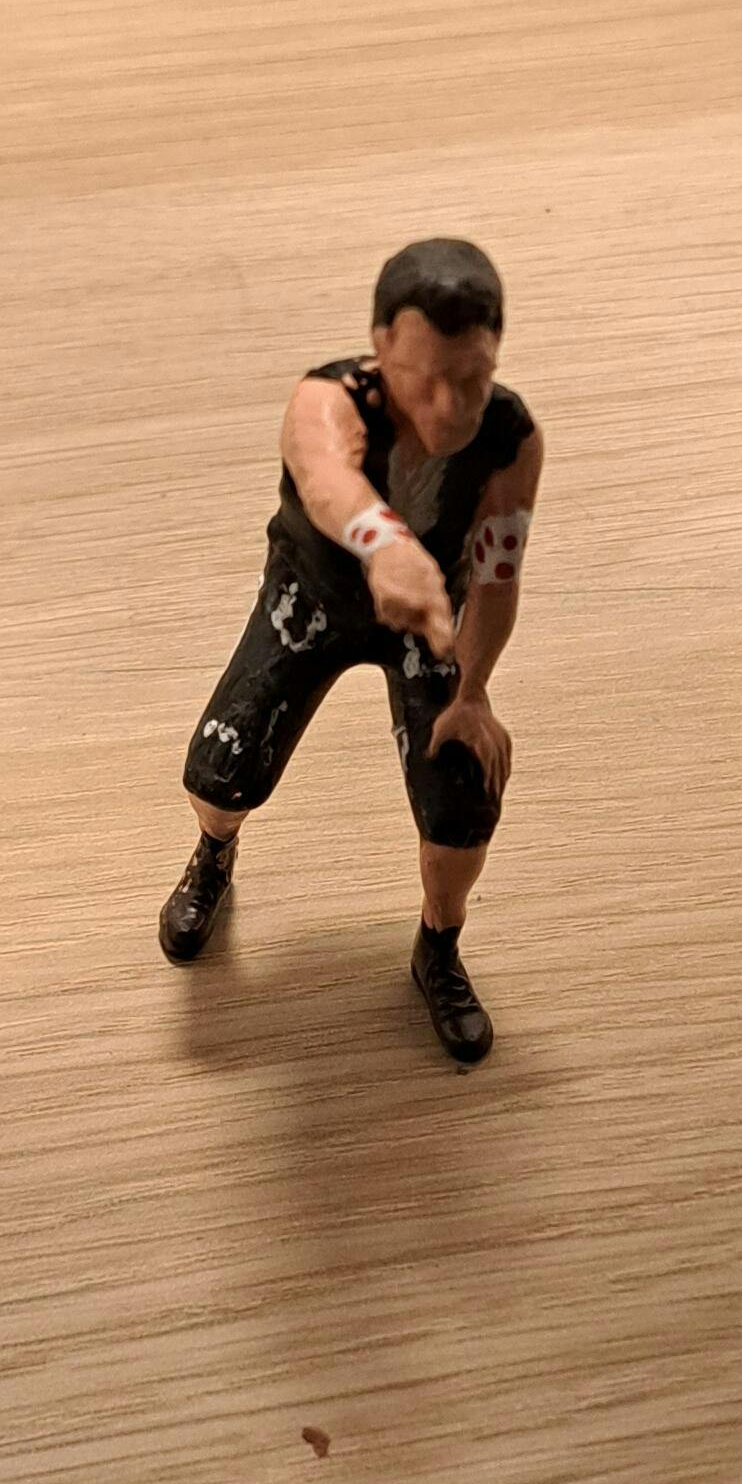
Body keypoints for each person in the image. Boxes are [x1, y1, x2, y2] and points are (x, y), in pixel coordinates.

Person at [160, 241, 543, 1062]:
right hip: (313, 600)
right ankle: (214, 854)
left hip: (428, 620)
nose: (450, 407)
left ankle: (438, 944)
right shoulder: (326, 399)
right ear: (381, 347)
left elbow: (497, 576)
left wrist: (474, 691)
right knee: (220, 770)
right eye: (425, 380)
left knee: (463, 811)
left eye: (472, 379)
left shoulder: (510, 438)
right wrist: (386, 546)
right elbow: (328, 479)